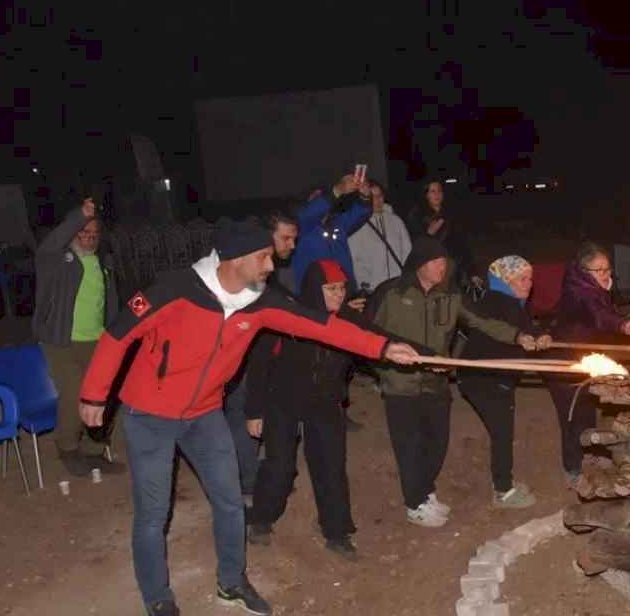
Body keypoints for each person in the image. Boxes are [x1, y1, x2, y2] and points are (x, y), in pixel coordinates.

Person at [77, 222, 422, 616]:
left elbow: (321, 325)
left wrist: (382, 347)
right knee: (155, 514)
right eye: (263, 256)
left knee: (229, 501)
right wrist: (93, 393)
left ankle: (232, 582)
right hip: (150, 415)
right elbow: (118, 334)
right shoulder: (173, 289)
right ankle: (158, 597)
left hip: (205, 414)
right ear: (236, 259)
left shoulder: (261, 302)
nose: (271, 266)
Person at [366, 237, 540, 527]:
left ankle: (425, 491)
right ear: (419, 264)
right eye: (435, 262)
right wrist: (380, 370)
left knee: (437, 443)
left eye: (444, 262)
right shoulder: (391, 293)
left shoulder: (449, 296)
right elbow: (367, 332)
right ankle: (415, 504)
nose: (441, 268)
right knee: (409, 445)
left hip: (435, 383)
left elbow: (481, 321)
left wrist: (517, 336)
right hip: (400, 385)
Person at [244, 260, 365, 559]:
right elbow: (260, 365)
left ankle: (336, 532)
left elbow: (377, 343)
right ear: (314, 289)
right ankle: (261, 518)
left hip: (324, 402)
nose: (338, 294)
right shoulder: (289, 319)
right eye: (331, 289)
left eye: (341, 288)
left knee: (331, 467)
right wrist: (254, 410)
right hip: (283, 400)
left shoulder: (348, 320)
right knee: (280, 466)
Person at [33, 197, 124, 477]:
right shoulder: (58, 261)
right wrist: (79, 216)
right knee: (74, 394)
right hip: (62, 340)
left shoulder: (103, 263)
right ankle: (68, 447)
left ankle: (95, 451)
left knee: (102, 396)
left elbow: (110, 302)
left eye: (93, 233)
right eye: (83, 232)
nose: (88, 238)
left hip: (97, 341)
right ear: (72, 233)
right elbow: (49, 245)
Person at [545, 243, 630, 485]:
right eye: (599, 270)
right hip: (563, 359)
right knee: (571, 413)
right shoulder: (580, 290)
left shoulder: (595, 287)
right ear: (583, 272)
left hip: (585, 356)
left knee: (588, 406)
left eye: (607, 268)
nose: (606, 274)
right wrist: (622, 324)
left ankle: (592, 453)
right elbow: (599, 314)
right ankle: (573, 466)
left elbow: (599, 312)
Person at [221, 210, 300, 500]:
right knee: (244, 416)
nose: (292, 245)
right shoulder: (247, 270)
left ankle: (262, 475)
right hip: (242, 359)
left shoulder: (269, 272)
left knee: (256, 414)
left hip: (261, 356)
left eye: (294, 238)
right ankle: (250, 483)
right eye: (286, 238)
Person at [459, 255, 547, 508]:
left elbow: (526, 326)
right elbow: (519, 328)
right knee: (502, 432)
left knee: (503, 430)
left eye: (530, 278)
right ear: (505, 281)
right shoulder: (501, 302)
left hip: (492, 377)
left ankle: (503, 485)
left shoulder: (509, 302)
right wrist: (535, 336)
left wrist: (540, 335)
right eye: (521, 278)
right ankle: (503, 491)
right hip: (485, 379)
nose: (528, 284)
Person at [291, 172, 375, 292]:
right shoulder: (301, 225)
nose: (321, 199)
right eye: (316, 196)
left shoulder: (337, 223)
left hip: (344, 293)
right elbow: (311, 212)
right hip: (314, 297)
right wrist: (338, 190)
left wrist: (365, 195)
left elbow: (360, 213)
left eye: (322, 195)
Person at [404, 179, 482, 290]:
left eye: (440, 191)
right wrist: (428, 234)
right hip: (432, 274)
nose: (437, 194)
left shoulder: (452, 214)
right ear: (425, 195)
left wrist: (473, 273)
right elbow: (415, 247)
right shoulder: (416, 216)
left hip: (455, 272)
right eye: (433, 191)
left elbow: (463, 246)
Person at [348, 182, 412, 295]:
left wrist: (405, 279)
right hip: (372, 289)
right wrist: (365, 284)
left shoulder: (396, 221)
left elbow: (407, 252)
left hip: (398, 286)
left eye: (380, 195)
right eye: (372, 197)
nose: (377, 200)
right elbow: (355, 259)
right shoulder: (358, 224)